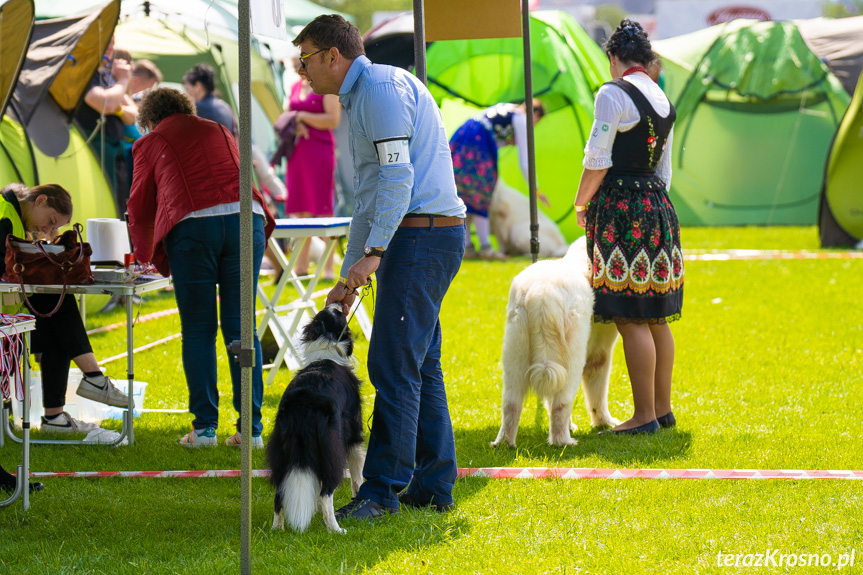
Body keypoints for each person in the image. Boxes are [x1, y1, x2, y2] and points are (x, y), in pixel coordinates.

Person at [294, 15, 466, 519]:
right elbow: (370, 196)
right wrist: (349, 276)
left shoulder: (381, 91)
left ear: (333, 56)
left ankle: (381, 492)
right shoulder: (365, 92)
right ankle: (433, 484)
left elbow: (396, 181)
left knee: (392, 365)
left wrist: (375, 254)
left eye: (305, 59)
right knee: (418, 366)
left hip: (422, 236)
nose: (301, 70)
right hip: (419, 234)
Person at [127, 88, 276, 448]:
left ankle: (205, 429)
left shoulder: (151, 141)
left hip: (193, 225)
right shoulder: (218, 128)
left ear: (149, 120)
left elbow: (140, 204)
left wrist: (142, 257)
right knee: (242, 329)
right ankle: (252, 431)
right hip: (247, 220)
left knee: (198, 328)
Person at [573, 19, 683, 435]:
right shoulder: (663, 98)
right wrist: (654, 206)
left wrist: (581, 201)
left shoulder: (612, 92)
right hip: (657, 206)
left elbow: (598, 156)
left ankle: (643, 417)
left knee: (631, 315)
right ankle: (662, 408)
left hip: (622, 210)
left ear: (614, 58)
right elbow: (665, 170)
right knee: (655, 314)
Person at [0, 184, 129, 433]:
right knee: (57, 302)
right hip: (7, 314)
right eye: (49, 221)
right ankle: (90, 382)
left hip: (12, 310)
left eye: (53, 227)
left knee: (56, 304)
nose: (47, 230)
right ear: (40, 200)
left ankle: (60, 414)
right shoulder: (6, 217)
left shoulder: (14, 216)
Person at [449, 99, 546, 259]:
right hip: (479, 142)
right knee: (482, 193)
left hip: (463, 135)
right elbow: (525, 161)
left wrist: (506, 142)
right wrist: (535, 188)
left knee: (464, 195)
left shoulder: (506, 108)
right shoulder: (521, 117)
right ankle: (486, 248)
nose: (534, 126)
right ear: (535, 114)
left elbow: (494, 135)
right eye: (536, 122)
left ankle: (467, 246)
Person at [281, 57, 340, 279]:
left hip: (320, 153)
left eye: (300, 61)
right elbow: (288, 114)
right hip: (298, 153)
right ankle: (301, 266)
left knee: (323, 208)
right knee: (301, 210)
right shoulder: (295, 86)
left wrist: (303, 116)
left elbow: (333, 120)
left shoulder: (327, 86)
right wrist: (294, 124)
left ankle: (328, 268)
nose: (297, 66)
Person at [75, 36, 134, 218]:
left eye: (113, 41)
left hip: (114, 155)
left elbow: (133, 115)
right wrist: (123, 81)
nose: (111, 46)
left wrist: (116, 109)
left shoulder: (106, 76)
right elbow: (104, 103)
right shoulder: (83, 71)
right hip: (95, 152)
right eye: (107, 39)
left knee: (116, 206)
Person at [182, 63, 238, 136]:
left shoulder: (198, 108)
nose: (187, 93)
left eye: (187, 89)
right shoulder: (225, 106)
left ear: (197, 86)